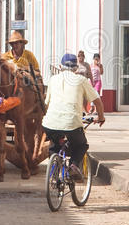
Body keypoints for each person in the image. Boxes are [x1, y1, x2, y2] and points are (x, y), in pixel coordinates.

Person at [42, 53, 105, 181]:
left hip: (49, 123)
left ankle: (54, 172)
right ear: (76, 68)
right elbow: (97, 101)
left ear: (60, 67)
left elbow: (46, 104)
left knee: (55, 145)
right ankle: (74, 166)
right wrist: (101, 117)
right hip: (72, 123)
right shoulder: (81, 80)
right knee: (81, 145)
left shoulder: (53, 80)